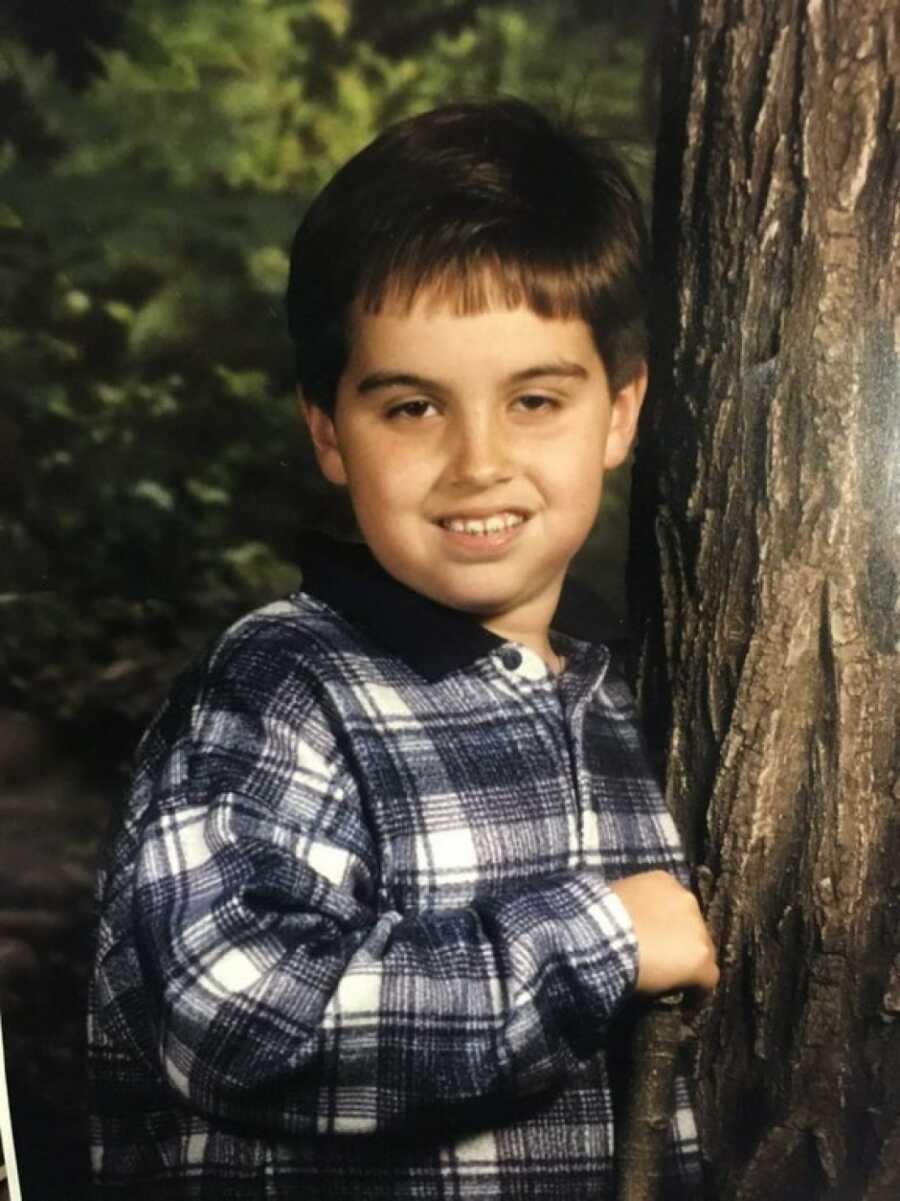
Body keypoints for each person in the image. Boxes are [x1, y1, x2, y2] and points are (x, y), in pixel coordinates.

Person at [87, 98, 718, 1200]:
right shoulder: (279, 691)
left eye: (534, 399)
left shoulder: (638, 700)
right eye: (414, 407)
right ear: (329, 429)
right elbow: (233, 1012)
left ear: (619, 415)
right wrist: (594, 944)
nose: (479, 463)